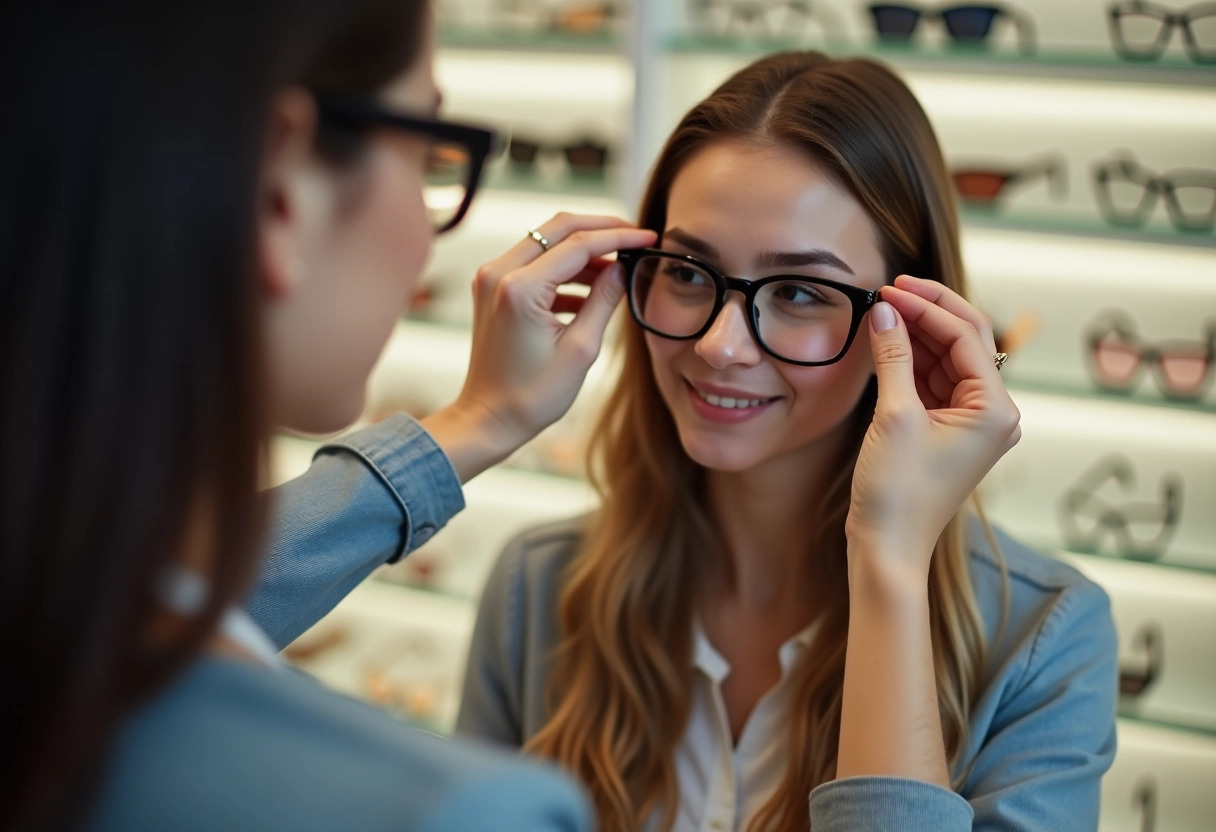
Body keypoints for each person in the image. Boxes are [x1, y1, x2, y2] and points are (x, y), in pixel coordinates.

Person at [0, 1, 657, 830]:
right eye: (427, 154)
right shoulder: (458, 812)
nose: (427, 236)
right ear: (283, 190)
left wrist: (479, 419)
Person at [454, 51, 1120, 831]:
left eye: (800, 291)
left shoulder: (1045, 643)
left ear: (908, 324)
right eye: (689, 272)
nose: (720, 346)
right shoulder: (538, 589)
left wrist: (890, 566)